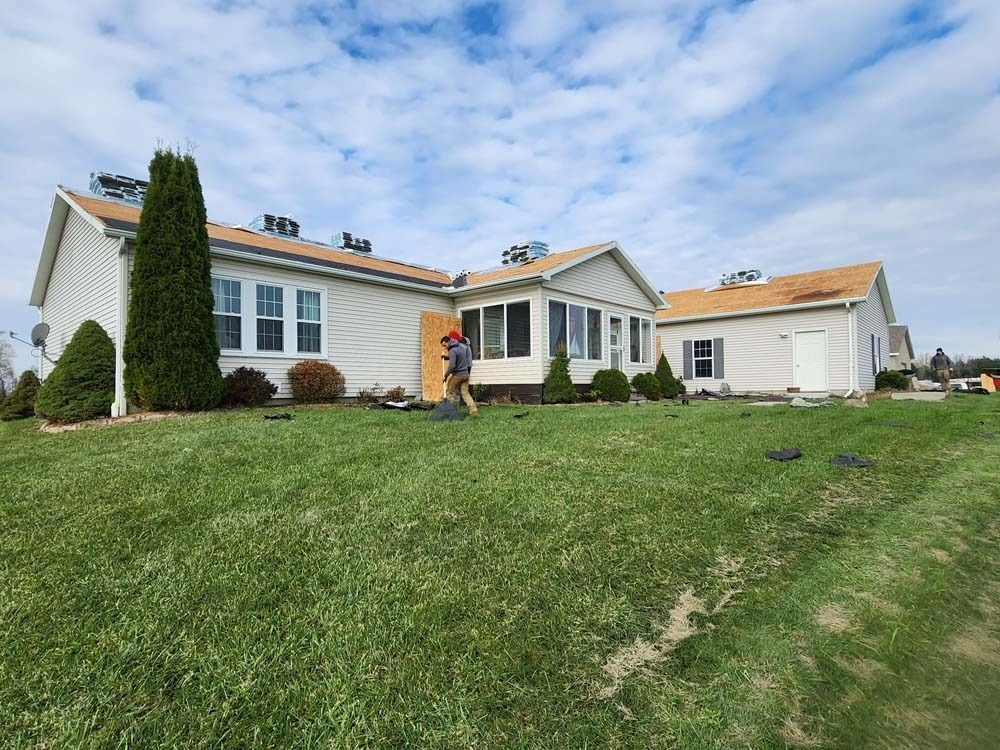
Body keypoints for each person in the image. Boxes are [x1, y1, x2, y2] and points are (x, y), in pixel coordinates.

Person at [441, 332, 478, 416]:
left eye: (444, 345)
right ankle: (473, 410)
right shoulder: (462, 347)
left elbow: (452, 366)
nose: (444, 348)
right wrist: (447, 357)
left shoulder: (452, 350)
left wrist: (445, 376)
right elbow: (459, 358)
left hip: (458, 374)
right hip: (466, 374)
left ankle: (450, 412)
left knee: (450, 392)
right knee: (465, 393)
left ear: (449, 341)